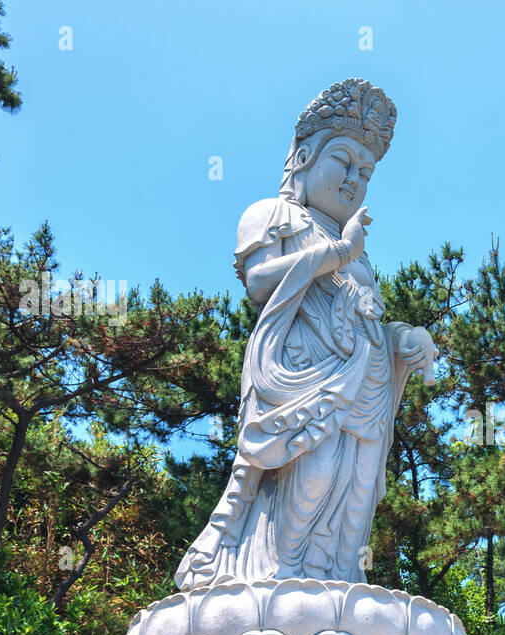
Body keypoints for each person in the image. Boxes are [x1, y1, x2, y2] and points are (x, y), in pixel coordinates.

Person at [175, 79, 435, 590]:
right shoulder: (273, 216)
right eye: (344, 161)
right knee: (312, 471)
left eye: (366, 172)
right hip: (300, 374)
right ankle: (278, 575)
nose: (354, 179)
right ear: (305, 156)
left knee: (358, 488)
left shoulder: (356, 250)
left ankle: (335, 580)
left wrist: (403, 338)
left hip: (365, 384)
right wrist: (335, 256)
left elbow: (365, 320)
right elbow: (259, 283)